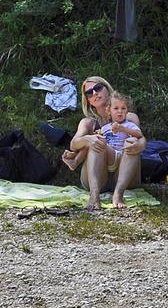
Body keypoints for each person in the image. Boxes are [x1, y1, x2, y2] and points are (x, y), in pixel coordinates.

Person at [61, 77, 146, 210]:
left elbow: (140, 138)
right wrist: (88, 139)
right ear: (88, 100)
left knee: (132, 141)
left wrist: (138, 145)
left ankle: (118, 194)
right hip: (98, 177)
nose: (94, 93)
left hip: (126, 173)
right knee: (96, 140)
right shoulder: (88, 122)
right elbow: (73, 144)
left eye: (98, 88)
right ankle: (94, 195)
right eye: (89, 93)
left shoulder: (129, 117)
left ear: (107, 89)